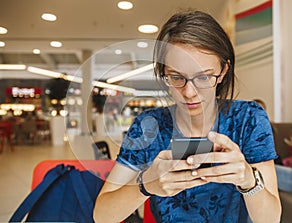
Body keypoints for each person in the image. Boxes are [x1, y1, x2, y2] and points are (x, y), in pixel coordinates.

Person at [94, 10, 281, 223]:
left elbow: (271, 219)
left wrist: (248, 180)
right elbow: (102, 216)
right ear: (164, 73)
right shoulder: (148, 127)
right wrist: (147, 185)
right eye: (176, 77)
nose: (189, 92)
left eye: (203, 77)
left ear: (223, 71)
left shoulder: (249, 119)